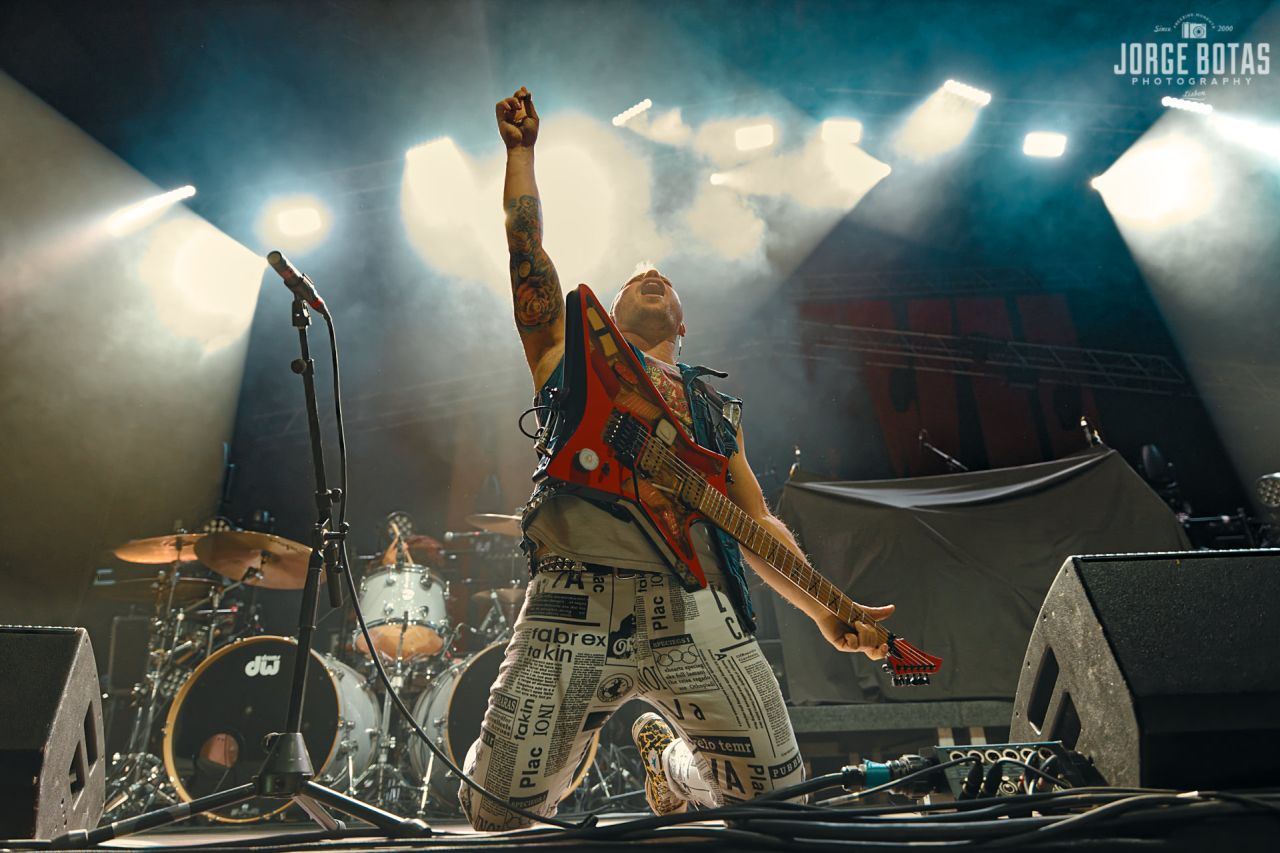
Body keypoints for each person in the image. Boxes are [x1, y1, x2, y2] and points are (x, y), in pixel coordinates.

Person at [458, 86, 896, 831]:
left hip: (697, 605)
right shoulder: (569, 358)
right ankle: (564, 754)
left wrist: (827, 609)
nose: (650, 273)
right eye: (635, 278)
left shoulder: (717, 412)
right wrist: (521, 154)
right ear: (614, 311)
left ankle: (671, 766)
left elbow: (757, 526)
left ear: (682, 322)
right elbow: (526, 255)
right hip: (574, 597)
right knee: (494, 813)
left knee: (779, 809)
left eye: (662, 280)